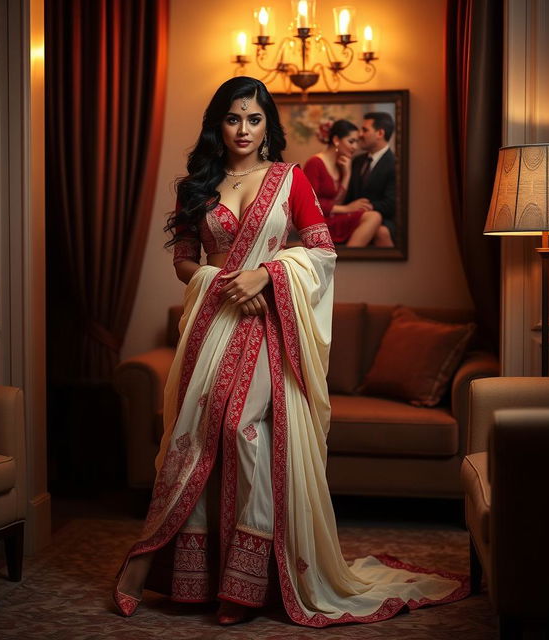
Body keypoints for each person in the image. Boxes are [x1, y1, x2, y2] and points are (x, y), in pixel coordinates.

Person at [113, 77, 466, 627]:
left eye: (254, 120)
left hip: (269, 328)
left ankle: (246, 582)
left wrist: (267, 276)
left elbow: (322, 252)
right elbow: (183, 260)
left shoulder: (289, 180)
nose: (244, 130)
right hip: (212, 327)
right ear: (218, 124)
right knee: (196, 436)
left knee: (243, 431)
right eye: (234, 119)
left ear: (267, 125)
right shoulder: (196, 186)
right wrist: (221, 280)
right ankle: (182, 572)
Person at [303, 120, 392, 247]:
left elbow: (337, 201)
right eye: (351, 141)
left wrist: (347, 174)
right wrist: (347, 209)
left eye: (356, 142)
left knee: (379, 228)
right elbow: (309, 204)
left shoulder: (341, 165)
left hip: (332, 217)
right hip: (318, 222)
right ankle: (348, 260)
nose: (355, 147)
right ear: (336, 140)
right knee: (374, 217)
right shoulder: (315, 163)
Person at [346, 112, 396, 245]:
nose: (360, 134)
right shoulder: (357, 161)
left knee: (381, 231)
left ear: (380, 133)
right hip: (352, 216)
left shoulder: (395, 163)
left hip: (384, 218)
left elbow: (391, 204)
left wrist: (363, 207)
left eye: (365, 130)